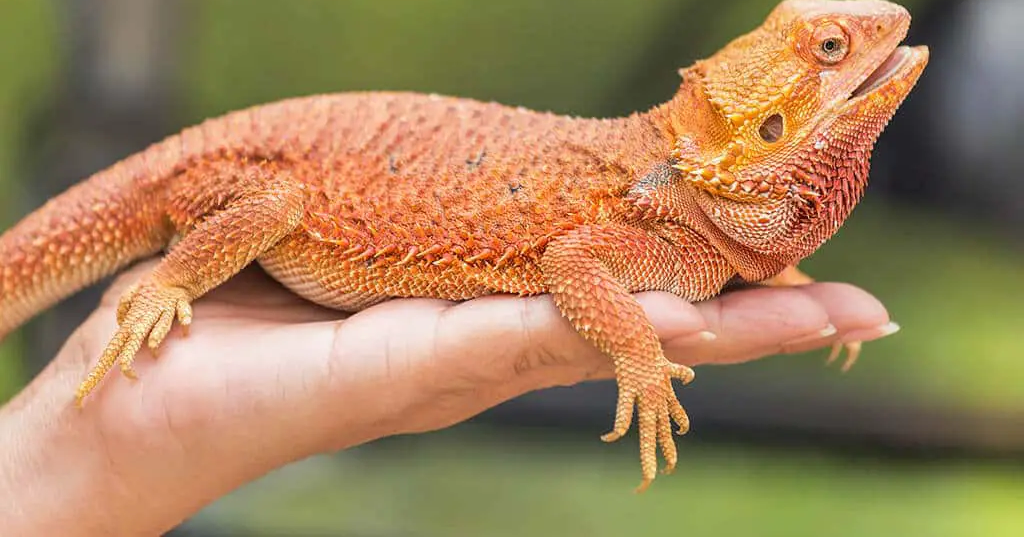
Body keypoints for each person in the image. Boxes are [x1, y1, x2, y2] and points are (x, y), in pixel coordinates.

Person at [0, 260, 896, 535]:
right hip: (263, 192)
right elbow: (576, 266)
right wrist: (636, 355)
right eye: (825, 47)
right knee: (270, 197)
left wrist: (86, 462)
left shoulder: (679, 196)